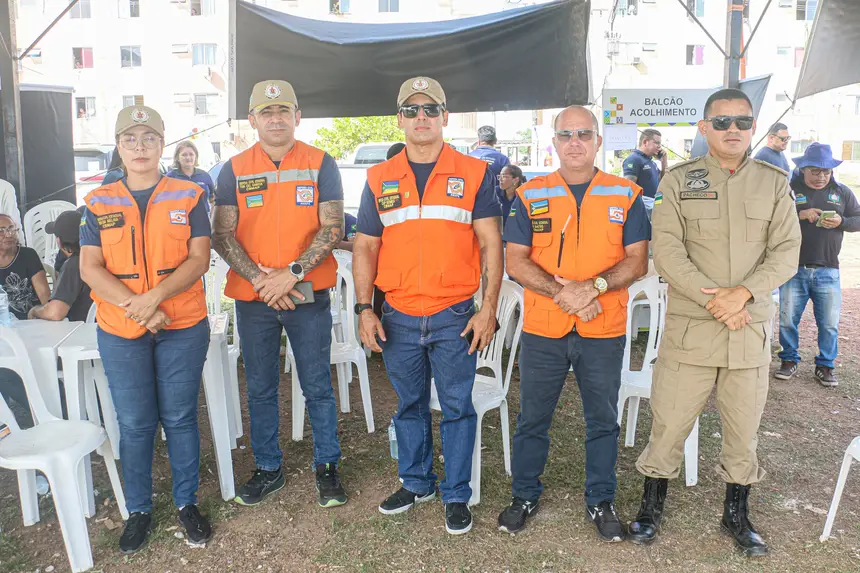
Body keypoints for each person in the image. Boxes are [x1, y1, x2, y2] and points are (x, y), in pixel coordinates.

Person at [629, 89, 801, 557]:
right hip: (694, 328)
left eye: (742, 122)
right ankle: (650, 508)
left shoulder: (773, 181)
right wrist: (718, 301)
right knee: (668, 423)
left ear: (753, 128)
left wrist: (741, 294)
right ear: (704, 128)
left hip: (747, 327)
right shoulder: (679, 181)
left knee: (744, 431)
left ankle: (736, 515)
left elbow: (786, 253)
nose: (733, 131)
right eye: (722, 122)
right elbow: (667, 252)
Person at [353, 77, 503, 535]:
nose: (422, 118)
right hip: (397, 313)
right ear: (399, 118)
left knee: (457, 406)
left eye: (431, 109)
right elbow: (365, 247)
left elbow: (492, 246)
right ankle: (417, 482)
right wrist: (364, 308)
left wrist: (488, 309)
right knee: (409, 404)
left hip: (455, 314)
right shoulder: (379, 177)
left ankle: (457, 494)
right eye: (413, 110)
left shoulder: (475, 172)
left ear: (445, 117)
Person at [496, 106, 650, 541]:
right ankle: (524, 494)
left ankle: (600, 499)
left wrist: (593, 287)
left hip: (603, 328)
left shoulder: (626, 194)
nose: (575, 141)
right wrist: (565, 294)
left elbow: (636, 260)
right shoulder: (530, 194)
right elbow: (515, 261)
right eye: (566, 134)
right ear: (555, 143)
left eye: (584, 133)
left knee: (602, 419)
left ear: (599, 141)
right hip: (545, 329)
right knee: (532, 418)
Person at [79, 105, 213, 554]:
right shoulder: (98, 202)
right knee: (135, 424)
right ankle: (138, 509)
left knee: (178, 417)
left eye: (149, 138)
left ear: (163, 143)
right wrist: (138, 310)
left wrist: (154, 300)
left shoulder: (189, 195)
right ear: (118, 146)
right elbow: (90, 268)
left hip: (181, 323)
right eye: (131, 139)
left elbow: (199, 259)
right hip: (120, 328)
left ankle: (186, 503)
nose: (140, 147)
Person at [212, 80, 347, 509]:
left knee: (316, 384)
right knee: (261, 386)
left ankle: (327, 467)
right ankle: (268, 468)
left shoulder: (320, 162)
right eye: (266, 112)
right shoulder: (233, 169)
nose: (275, 118)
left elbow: (333, 228)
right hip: (254, 297)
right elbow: (222, 234)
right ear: (251, 120)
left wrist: (288, 276)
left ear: (297, 116)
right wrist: (262, 281)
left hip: (305, 291)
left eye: (283, 110)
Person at [775, 143, 860, 387]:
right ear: (802, 169)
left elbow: (858, 219)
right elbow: (769, 219)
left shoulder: (842, 192)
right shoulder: (788, 191)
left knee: (829, 323)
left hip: (829, 270)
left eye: (826, 171)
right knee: (788, 319)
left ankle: (825, 365)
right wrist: (798, 214)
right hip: (793, 268)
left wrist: (841, 221)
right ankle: (788, 360)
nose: (821, 176)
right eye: (815, 171)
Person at [28, 210, 92, 322]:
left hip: (81, 330)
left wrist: (35, 310)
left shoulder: (74, 264)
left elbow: (55, 313)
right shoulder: (97, 255)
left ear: (59, 242)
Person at [0, 213, 49, 320]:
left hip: (32, 320)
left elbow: (45, 297)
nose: (8, 234)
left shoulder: (28, 255)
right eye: (1, 231)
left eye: (11, 229)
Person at [167, 141, 216, 214]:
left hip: (203, 220)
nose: (188, 157)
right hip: (179, 220)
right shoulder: (170, 178)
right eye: (184, 155)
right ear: (177, 157)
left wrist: (212, 218)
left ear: (195, 156)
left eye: (191, 154)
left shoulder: (205, 176)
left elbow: (213, 199)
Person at [623, 128, 668, 199]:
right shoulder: (633, 159)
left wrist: (664, 161)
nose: (659, 146)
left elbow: (664, 181)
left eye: (660, 143)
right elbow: (629, 189)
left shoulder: (651, 162)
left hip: (654, 205)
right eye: (657, 142)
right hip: (642, 207)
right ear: (645, 142)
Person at [469, 125, 510, 199]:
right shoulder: (503, 159)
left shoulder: (467, 157)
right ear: (495, 141)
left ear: (478, 141)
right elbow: (508, 184)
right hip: (496, 202)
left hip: (471, 202)